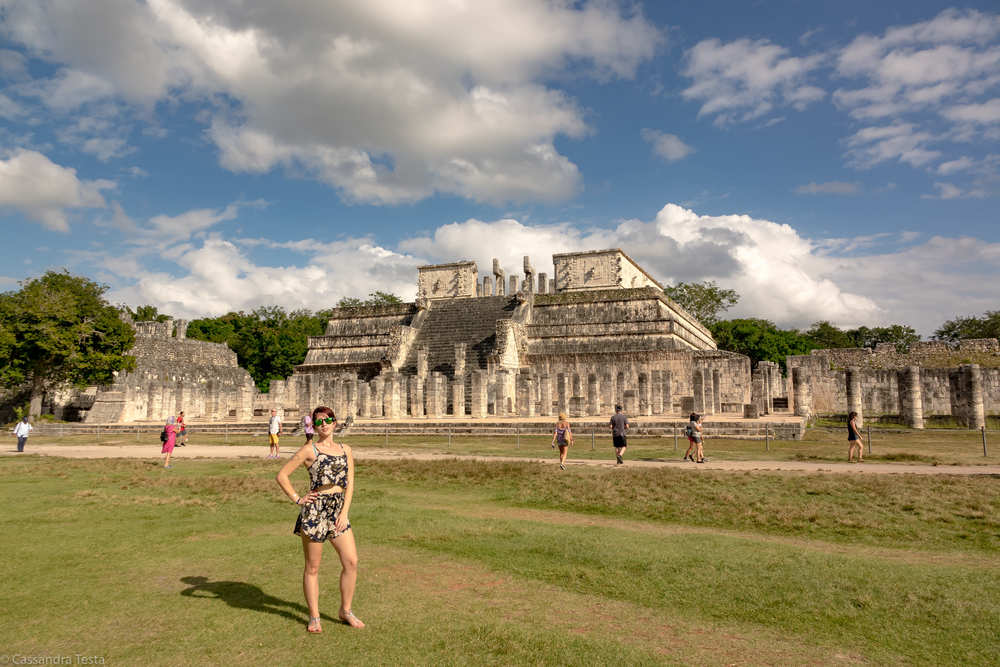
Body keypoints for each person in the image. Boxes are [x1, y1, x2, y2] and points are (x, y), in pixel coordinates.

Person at [276, 406, 364, 632]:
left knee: (351, 561)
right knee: (313, 567)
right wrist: (298, 499)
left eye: (328, 420)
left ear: (335, 423)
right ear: (313, 426)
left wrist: (344, 513)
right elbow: (282, 475)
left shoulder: (346, 449)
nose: (323, 424)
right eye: (318, 422)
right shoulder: (309, 450)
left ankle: (345, 610)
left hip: (337, 510)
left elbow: (350, 484)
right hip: (315, 510)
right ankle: (314, 616)